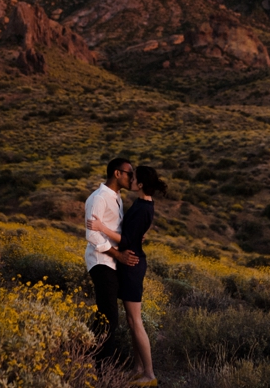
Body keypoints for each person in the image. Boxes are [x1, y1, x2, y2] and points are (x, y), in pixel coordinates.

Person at [88, 165, 167, 387]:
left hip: (132, 265)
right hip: (131, 263)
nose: (130, 180)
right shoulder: (143, 203)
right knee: (132, 322)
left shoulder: (143, 207)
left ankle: (149, 375)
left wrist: (101, 227)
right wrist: (137, 235)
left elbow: (126, 241)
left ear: (140, 184)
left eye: (134, 178)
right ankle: (138, 368)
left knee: (135, 321)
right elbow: (133, 233)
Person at [84, 158, 139, 362]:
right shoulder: (98, 198)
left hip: (112, 263)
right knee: (109, 318)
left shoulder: (116, 197)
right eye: (129, 173)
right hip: (101, 262)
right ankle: (101, 367)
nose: (132, 177)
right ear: (117, 173)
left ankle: (83, 353)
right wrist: (118, 255)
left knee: (104, 317)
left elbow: (114, 229)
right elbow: (92, 235)